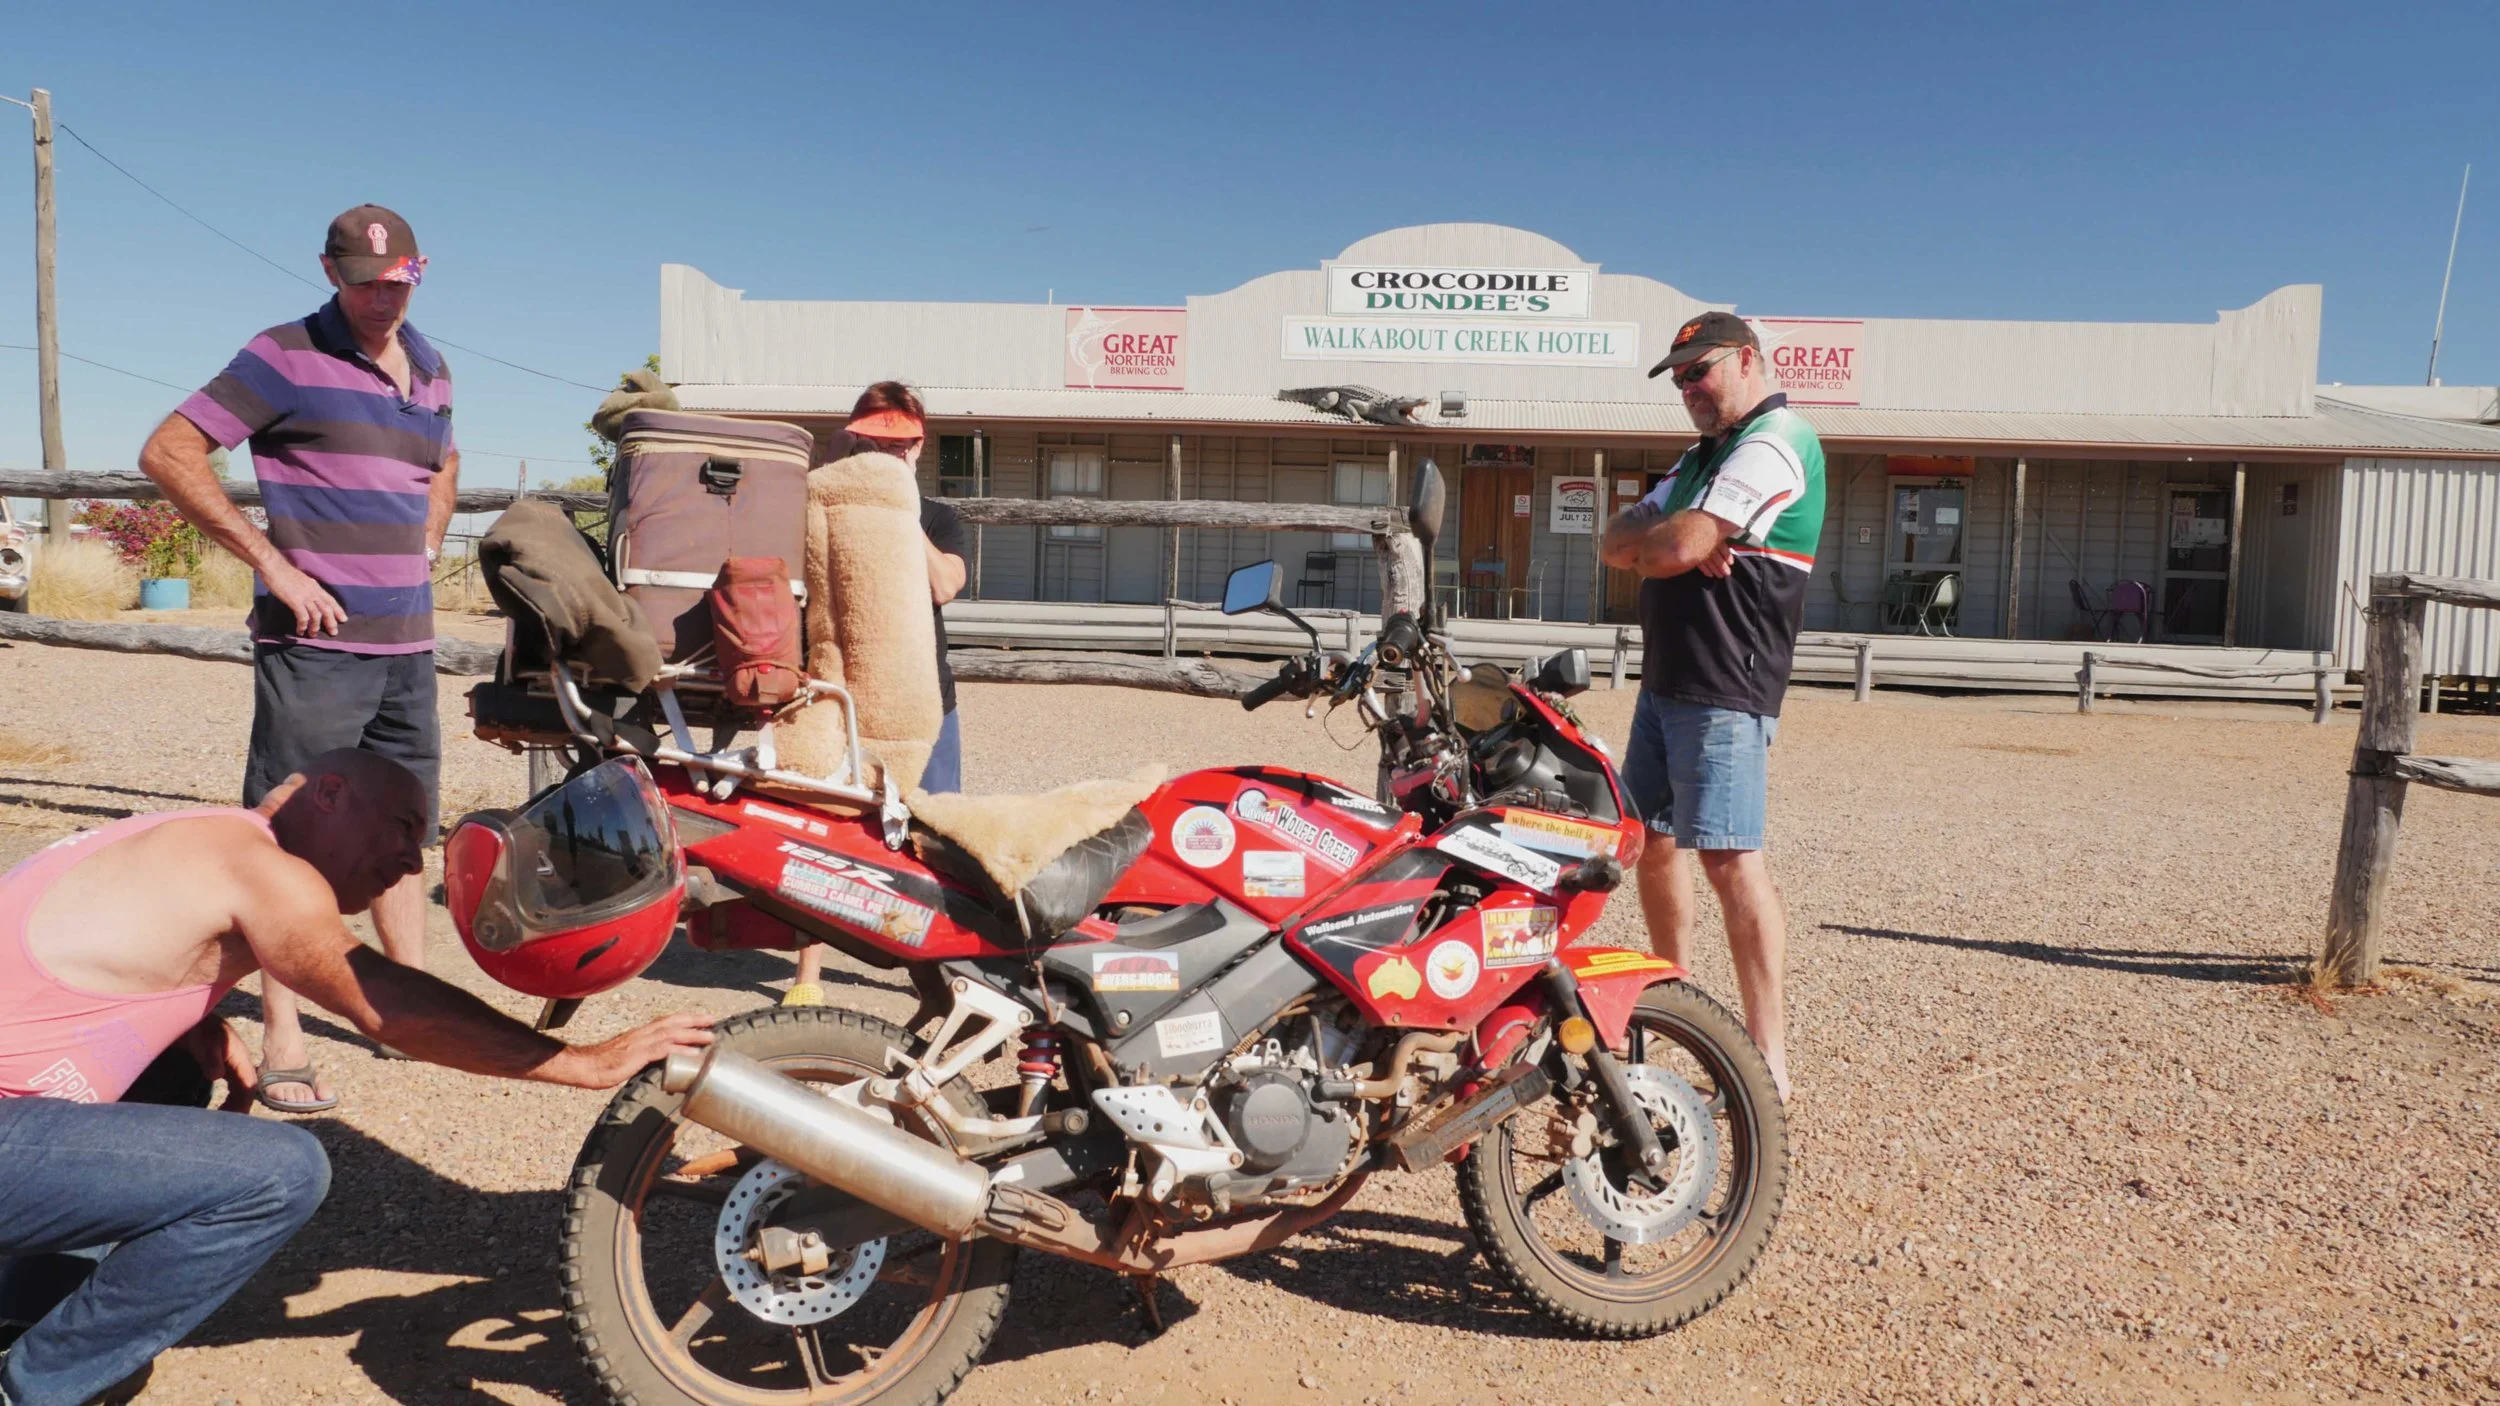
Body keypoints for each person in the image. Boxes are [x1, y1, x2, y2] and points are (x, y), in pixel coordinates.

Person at [0, 749, 714, 1404]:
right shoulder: (263, 869)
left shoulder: (197, 834)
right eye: (402, 827)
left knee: (181, 1065)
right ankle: (33, 1389)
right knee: (279, 1173)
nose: (410, 863)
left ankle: (25, 1302)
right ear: (330, 793)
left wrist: (186, 1020)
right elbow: (386, 1005)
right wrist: (583, 1062)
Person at [137, 204, 458, 1113]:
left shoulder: (430, 364)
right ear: (329, 270)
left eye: (395, 284)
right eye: (362, 283)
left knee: (406, 828)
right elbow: (169, 450)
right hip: (314, 648)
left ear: (419, 271)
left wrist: (427, 544)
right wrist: (274, 565)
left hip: (408, 642)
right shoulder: (282, 355)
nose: (379, 300)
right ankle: (283, 1034)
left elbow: (443, 461)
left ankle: (407, 1007)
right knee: (292, 840)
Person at [1597, 311, 1826, 1102]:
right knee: (1652, 844)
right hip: (1667, 681)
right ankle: (1679, 999)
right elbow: (1614, 540)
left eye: (1702, 370)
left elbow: (1661, 549)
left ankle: (1767, 1058)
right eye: (1681, 377)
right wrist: (1675, 534)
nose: (1690, 388)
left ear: (1748, 361)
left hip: (1729, 684)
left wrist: (1673, 539)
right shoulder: (1703, 458)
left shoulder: (1775, 441)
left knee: (1730, 860)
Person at [786, 381, 969, 1008]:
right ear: (854, 438)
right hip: (840, 695)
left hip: (925, 702)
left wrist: (898, 508)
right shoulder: (824, 502)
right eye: (876, 443)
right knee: (827, 826)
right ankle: (807, 982)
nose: (889, 455)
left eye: (901, 446)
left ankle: (940, 982)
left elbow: (945, 585)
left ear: (919, 448)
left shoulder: (939, 517)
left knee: (936, 838)